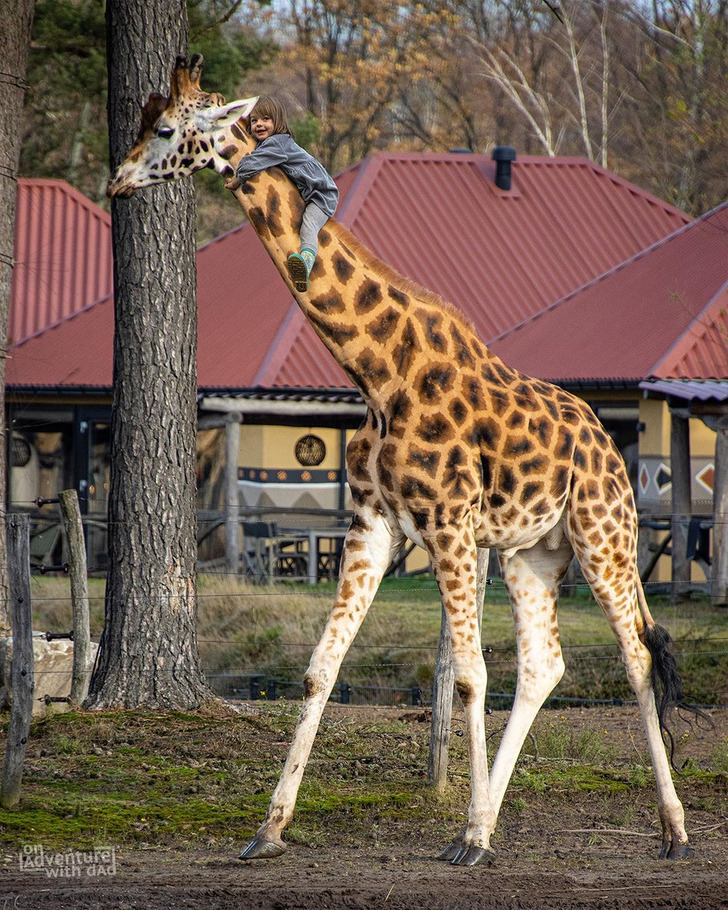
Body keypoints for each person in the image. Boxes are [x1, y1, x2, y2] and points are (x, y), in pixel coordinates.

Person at [225, 96, 339, 292]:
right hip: (306, 192)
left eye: (265, 119)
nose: (259, 124)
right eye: (254, 121)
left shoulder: (278, 143)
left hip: (321, 194)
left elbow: (252, 163)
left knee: (308, 226)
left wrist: (236, 180)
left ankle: (305, 263)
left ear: (278, 122)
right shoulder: (269, 145)